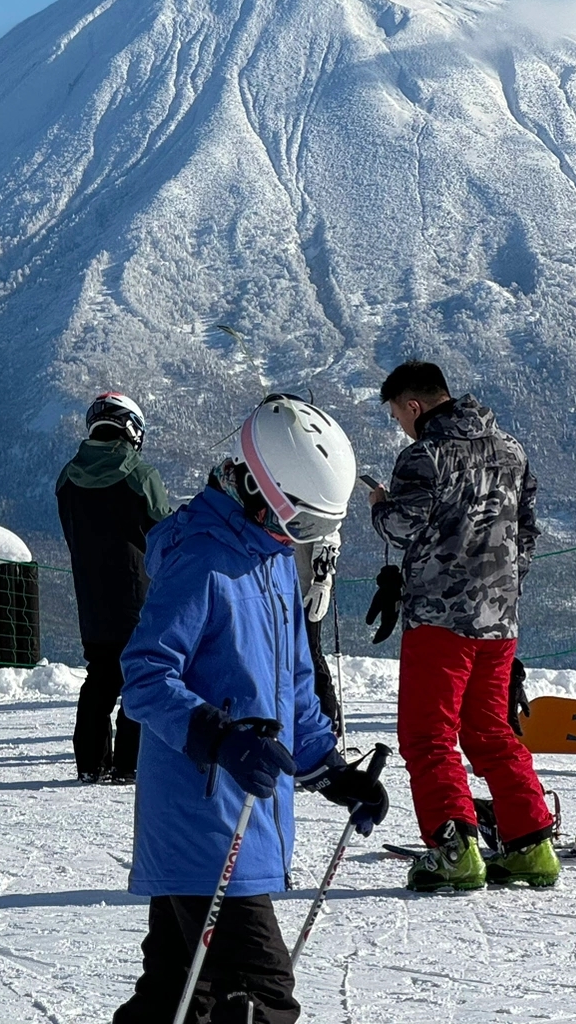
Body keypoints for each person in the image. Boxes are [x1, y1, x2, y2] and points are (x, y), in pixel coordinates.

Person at [114, 395, 388, 1024]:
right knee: (264, 995)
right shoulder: (202, 560)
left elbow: (292, 683)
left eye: (311, 531)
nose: (299, 540)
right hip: (201, 817)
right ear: (254, 488)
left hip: (246, 816)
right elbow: (145, 676)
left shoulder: (269, 562)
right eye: (295, 524)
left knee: (178, 994)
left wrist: (331, 771)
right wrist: (219, 736)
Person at [369, 359, 557, 893]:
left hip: (439, 620)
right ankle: (531, 845)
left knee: (429, 736)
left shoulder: (424, 456)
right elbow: (527, 533)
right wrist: (505, 588)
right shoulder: (511, 449)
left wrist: (379, 505)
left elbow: (402, 527)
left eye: (398, 415)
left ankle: (453, 850)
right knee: (490, 730)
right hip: (499, 621)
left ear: (414, 405)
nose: (401, 426)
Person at [56, 391, 172, 782]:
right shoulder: (140, 474)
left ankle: (90, 763)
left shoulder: (66, 478)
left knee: (100, 676)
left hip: (90, 595)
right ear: (133, 428)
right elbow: (164, 530)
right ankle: (129, 764)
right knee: (138, 676)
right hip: (139, 594)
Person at [295, 529, 344, 736]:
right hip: (278, 584)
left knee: (307, 652)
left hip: (306, 591)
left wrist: (321, 580)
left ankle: (327, 716)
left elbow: (327, 528)